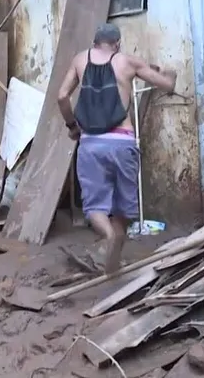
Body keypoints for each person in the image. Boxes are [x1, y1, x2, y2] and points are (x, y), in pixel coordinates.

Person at [57, 23, 177, 274]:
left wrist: (72, 126)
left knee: (94, 207)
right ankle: (113, 251)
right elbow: (166, 85)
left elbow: (61, 96)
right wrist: (170, 74)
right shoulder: (127, 62)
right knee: (123, 208)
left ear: (94, 43)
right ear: (117, 44)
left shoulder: (80, 60)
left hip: (90, 144)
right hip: (122, 143)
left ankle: (110, 250)